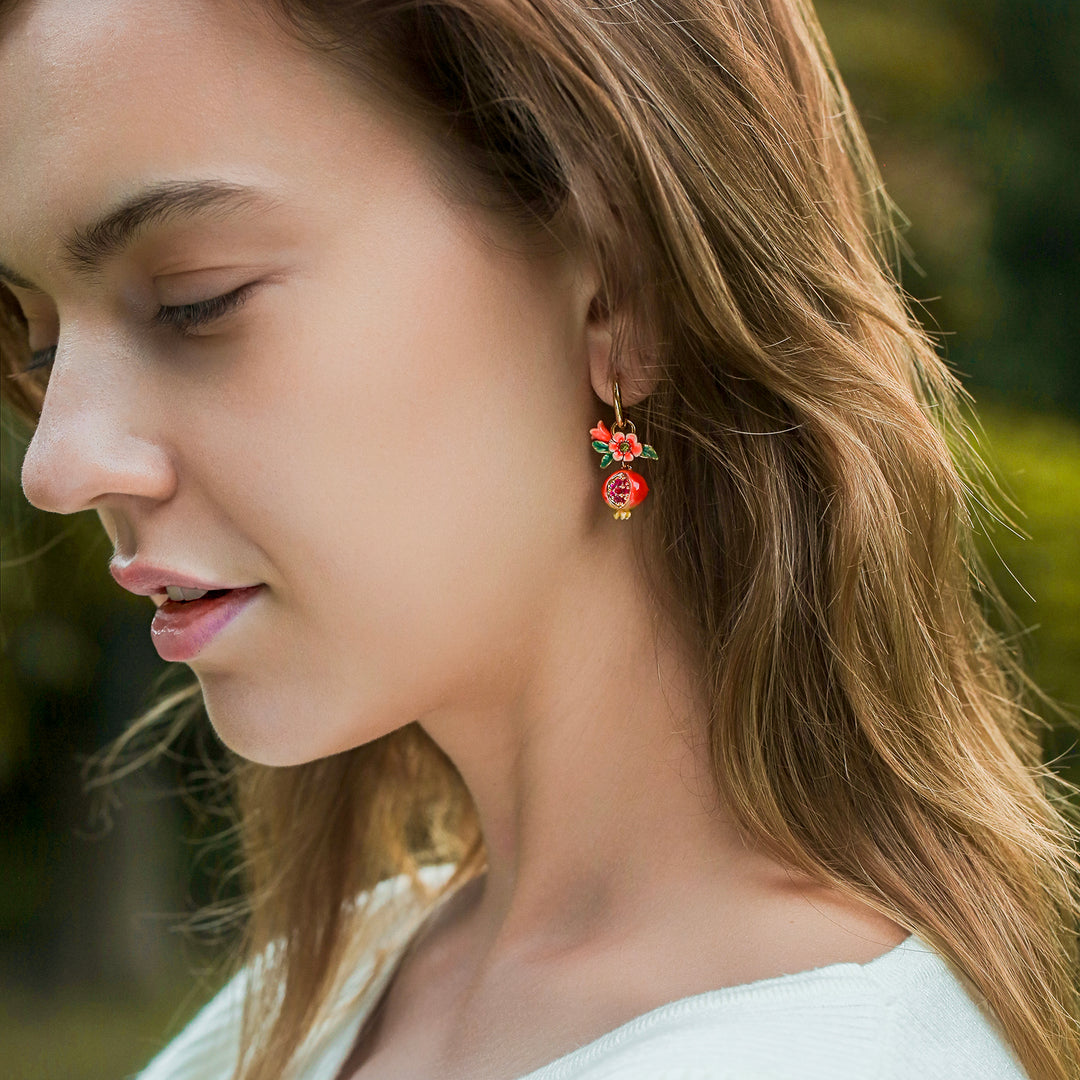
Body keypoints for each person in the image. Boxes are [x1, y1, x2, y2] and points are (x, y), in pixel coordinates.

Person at [1, 0, 1076, 1077]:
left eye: (197, 301)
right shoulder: (360, 966)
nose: (56, 465)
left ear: (623, 294)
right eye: (39, 342)